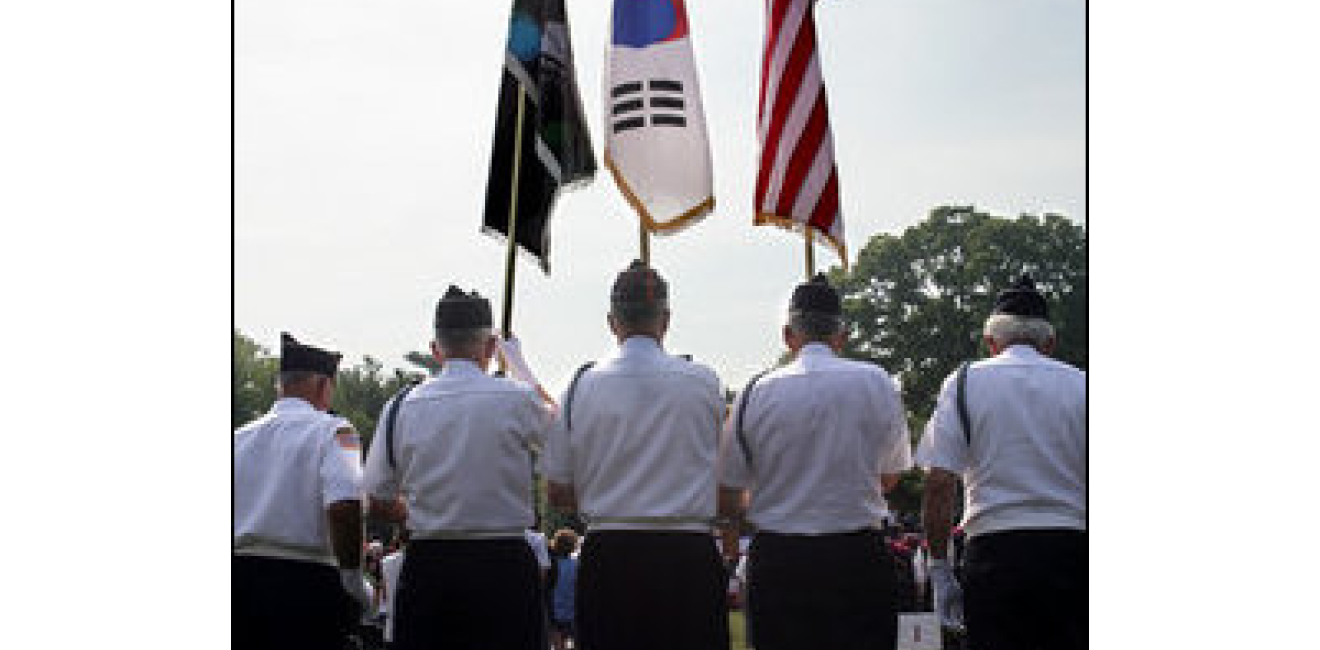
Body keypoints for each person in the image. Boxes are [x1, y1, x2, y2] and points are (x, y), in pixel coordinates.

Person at [718, 274, 914, 650]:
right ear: (841, 334)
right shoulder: (876, 382)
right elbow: (890, 476)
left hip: (781, 557)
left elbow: (729, 487)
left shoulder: (755, 392)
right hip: (856, 554)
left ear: (788, 335)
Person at [542, 260, 729, 650]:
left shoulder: (580, 386)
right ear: (667, 319)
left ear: (612, 322)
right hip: (687, 554)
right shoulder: (704, 382)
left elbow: (557, 490)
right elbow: (725, 475)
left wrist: (610, 492)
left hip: (610, 553)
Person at [362, 286, 552, 650]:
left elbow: (376, 499)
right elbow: (565, 440)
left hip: (430, 563)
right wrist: (521, 370)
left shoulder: (401, 406)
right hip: (504, 566)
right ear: (491, 346)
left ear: (436, 349)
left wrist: (419, 511)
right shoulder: (518, 398)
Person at [917, 274, 1087, 650]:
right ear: (1050, 343)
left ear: (991, 342)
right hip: (1070, 551)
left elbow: (940, 482)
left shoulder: (963, 383)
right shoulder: (1082, 385)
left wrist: (940, 569)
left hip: (995, 553)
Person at [233, 332, 369, 650]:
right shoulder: (339, 432)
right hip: (306, 584)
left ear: (278, 386)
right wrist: (352, 580)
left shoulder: (238, 438)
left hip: (239, 580)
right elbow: (345, 505)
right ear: (324, 385)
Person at [547, 529, 580, 650]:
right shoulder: (578, 565)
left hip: (555, 614)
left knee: (559, 647)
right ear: (573, 546)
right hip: (574, 613)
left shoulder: (550, 566)